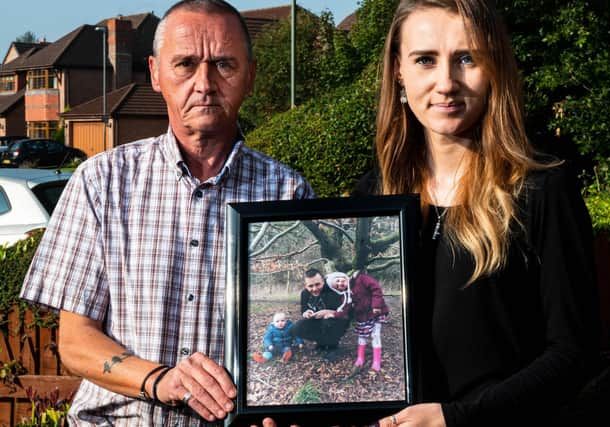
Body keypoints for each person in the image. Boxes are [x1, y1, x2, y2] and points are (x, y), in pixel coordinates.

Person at [19, 1, 313, 425]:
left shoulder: (288, 193)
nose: (204, 83)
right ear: (155, 73)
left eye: (224, 65)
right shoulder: (101, 181)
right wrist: (161, 380)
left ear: (250, 75)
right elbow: (75, 341)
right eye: (186, 64)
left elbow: (296, 335)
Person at [355, 1, 599, 426]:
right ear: (398, 70)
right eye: (425, 60)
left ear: (494, 68)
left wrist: (458, 418)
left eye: (467, 58)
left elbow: (574, 352)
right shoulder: (374, 195)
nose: (446, 83)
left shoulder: (542, 189)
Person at [290, 268, 350, 362]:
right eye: (310, 286)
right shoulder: (304, 294)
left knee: (328, 322)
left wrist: (328, 312)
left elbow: (345, 314)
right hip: (316, 321)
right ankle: (321, 342)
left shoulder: (333, 290)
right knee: (296, 328)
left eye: (317, 284)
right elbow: (303, 309)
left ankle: (332, 348)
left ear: (323, 281)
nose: (314, 289)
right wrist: (306, 313)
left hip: (335, 321)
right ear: (305, 285)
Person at [349, 270, 389, 372]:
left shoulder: (363, 278)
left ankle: (376, 361)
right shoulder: (348, 286)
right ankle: (360, 357)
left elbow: (376, 288)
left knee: (375, 334)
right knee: (361, 335)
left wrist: (376, 305)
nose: (341, 283)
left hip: (374, 312)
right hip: (362, 315)